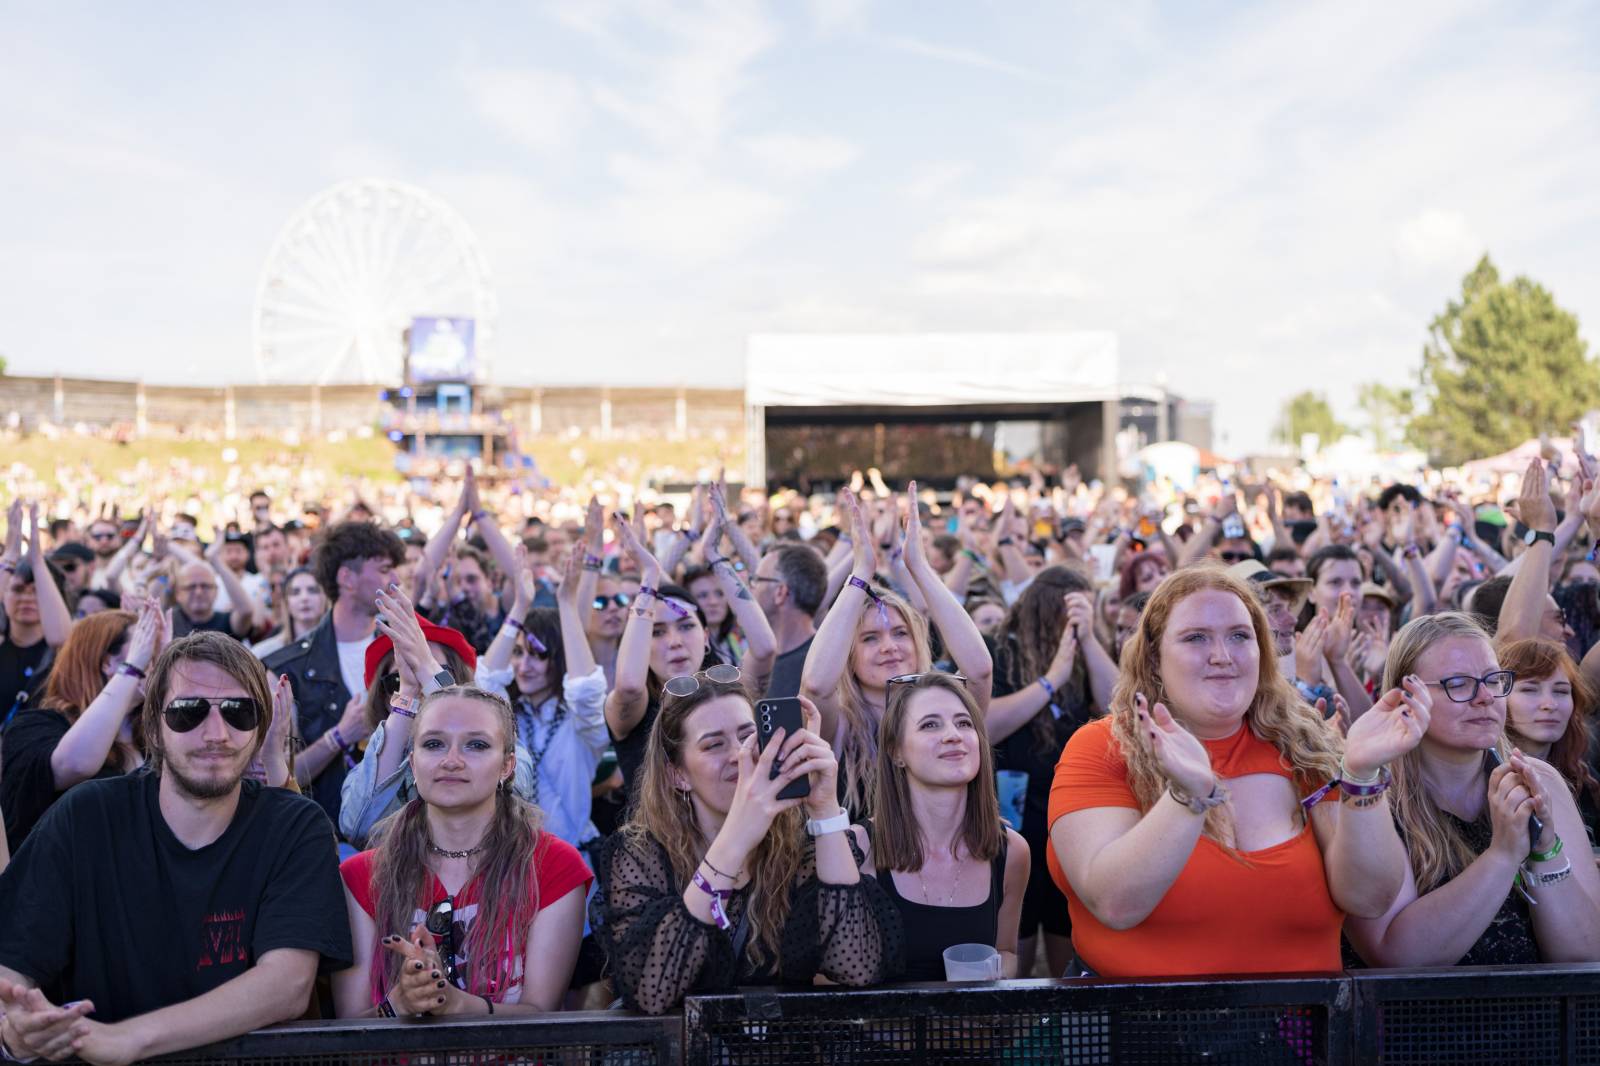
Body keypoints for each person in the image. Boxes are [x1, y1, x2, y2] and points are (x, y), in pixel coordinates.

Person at [1047, 567, 1428, 976]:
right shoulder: (1103, 747)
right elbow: (1115, 903)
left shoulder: (1307, 747)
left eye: (1239, 636)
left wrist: (1362, 774)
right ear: (1154, 658)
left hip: (1298, 1029)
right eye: (1196, 637)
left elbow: (1369, 898)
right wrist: (1187, 799)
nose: (1222, 656)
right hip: (1143, 1029)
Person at [0, 632, 351, 1063]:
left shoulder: (295, 824)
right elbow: (13, 965)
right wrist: (17, 1031)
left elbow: (286, 986)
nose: (217, 733)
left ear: (260, 728)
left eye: (240, 712)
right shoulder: (85, 817)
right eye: (189, 712)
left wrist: (127, 1039)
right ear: (154, 728)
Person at [592, 669, 898, 1015]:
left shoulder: (800, 848)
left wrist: (825, 808)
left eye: (747, 737)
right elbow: (653, 991)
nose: (740, 755)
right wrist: (737, 834)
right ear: (677, 775)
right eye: (713, 744)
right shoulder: (640, 852)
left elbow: (857, 968)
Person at [1345, 614, 1600, 966]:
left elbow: (1586, 952)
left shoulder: (1538, 781)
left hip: (1536, 1018)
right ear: (1408, 696)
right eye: (1459, 683)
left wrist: (1544, 850)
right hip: (1422, 1020)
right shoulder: (1372, 795)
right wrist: (1503, 855)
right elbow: (1396, 956)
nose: (1484, 698)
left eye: (1493, 680)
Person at [333, 686, 591, 1017]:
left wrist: (455, 1003)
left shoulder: (552, 866)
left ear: (507, 766)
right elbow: (347, 1034)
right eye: (433, 744)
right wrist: (399, 1004)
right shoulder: (361, 876)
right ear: (412, 763)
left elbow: (541, 1013)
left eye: (477, 745)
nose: (451, 761)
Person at [801, 486, 992, 818]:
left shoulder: (949, 705)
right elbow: (816, 684)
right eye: (871, 638)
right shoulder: (839, 723)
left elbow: (980, 671)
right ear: (849, 656)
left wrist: (919, 567)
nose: (890, 646)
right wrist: (860, 574)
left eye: (901, 633)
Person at [985, 567, 1112, 977]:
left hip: (1069, 821)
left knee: (1068, 941)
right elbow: (986, 725)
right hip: (1013, 820)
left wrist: (1089, 640)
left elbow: (1119, 707)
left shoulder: (1084, 657)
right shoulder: (998, 652)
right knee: (1014, 944)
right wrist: (1050, 680)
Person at [865, 673, 1028, 979]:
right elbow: (826, 979)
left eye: (964, 723)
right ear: (896, 752)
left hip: (974, 1026)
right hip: (885, 1027)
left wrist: (991, 980)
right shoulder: (859, 847)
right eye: (930, 724)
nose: (953, 735)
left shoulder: (1012, 851)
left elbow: (1006, 951)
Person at [606, 509, 776, 799]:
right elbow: (630, 686)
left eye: (686, 626)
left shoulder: (731, 690)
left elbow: (765, 647)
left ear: (706, 637)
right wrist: (649, 578)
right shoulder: (631, 711)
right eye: (657, 632)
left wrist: (716, 558)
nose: (674, 642)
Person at [266, 521, 405, 827]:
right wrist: (338, 737)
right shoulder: (285, 669)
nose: (396, 579)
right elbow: (277, 775)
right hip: (325, 841)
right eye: (384, 569)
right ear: (347, 578)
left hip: (401, 837)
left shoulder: (407, 653)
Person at [473, 547, 608, 849]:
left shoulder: (580, 722)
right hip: (507, 862)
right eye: (518, 653)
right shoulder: (505, 715)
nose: (523, 665)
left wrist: (567, 605)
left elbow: (586, 689)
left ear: (558, 659)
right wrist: (520, 607)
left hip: (572, 864)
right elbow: (486, 680)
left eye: (538, 655)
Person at [0, 603, 163, 849]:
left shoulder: (148, 731)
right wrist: (131, 670)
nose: (155, 667)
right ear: (108, 663)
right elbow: (75, 765)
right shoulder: (35, 726)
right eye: (147, 655)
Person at [337, 596, 485, 846]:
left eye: (437, 673)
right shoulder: (372, 765)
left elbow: (515, 794)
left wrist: (429, 674)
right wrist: (407, 695)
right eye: (395, 680)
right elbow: (358, 828)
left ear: (459, 679)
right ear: (383, 698)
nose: (422, 689)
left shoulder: (498, 744)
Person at [1498, 637, 1600, 836]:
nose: (1549, 704)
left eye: (1561, 691)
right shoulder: (1481, 781)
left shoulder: (1582, 776)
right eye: (1529, 689)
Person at [0, 502, 72, 729]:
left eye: (37, 591)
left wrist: (38, 562)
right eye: (18, 589)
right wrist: (10, 556)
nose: (27, 599)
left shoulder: (61, 652)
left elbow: (61, 638)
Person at [751, 542, 828, 700]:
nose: (750, 588)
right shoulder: (758, 658)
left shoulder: (820, 668)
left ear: (780, 592)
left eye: (756, 580)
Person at [251, 566, 328, 659]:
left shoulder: (339, 647)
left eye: (312, 590)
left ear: (325, 599)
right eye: (295, 592)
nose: (304, 598)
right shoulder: (263, 653)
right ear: (286, 603)